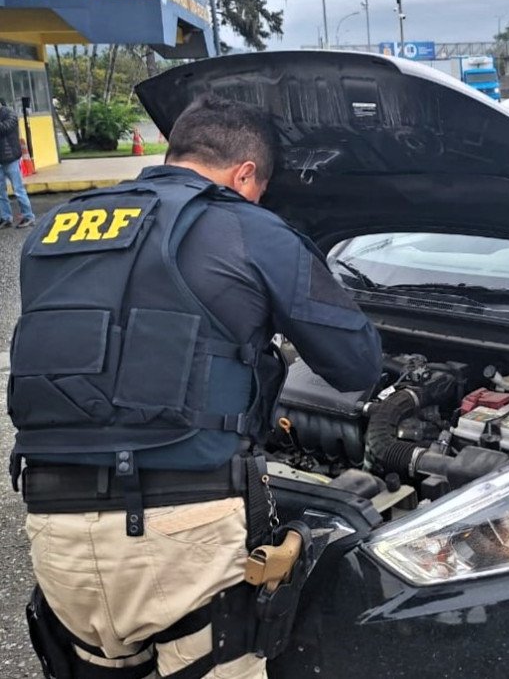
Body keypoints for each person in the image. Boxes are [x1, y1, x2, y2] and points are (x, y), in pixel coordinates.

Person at [9, 94, 382, 678]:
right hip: (180, 531)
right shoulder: (245, 226)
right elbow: (355, 365)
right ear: (245, 173)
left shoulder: (56, 228)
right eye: (260, 189)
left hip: (55, 524)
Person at [0, 98, 35, 228]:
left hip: (11, 159)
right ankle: (5, 218)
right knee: (0, 193)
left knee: (18, 190)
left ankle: (28, 216)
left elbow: (5, 128)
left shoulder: (10, 114)